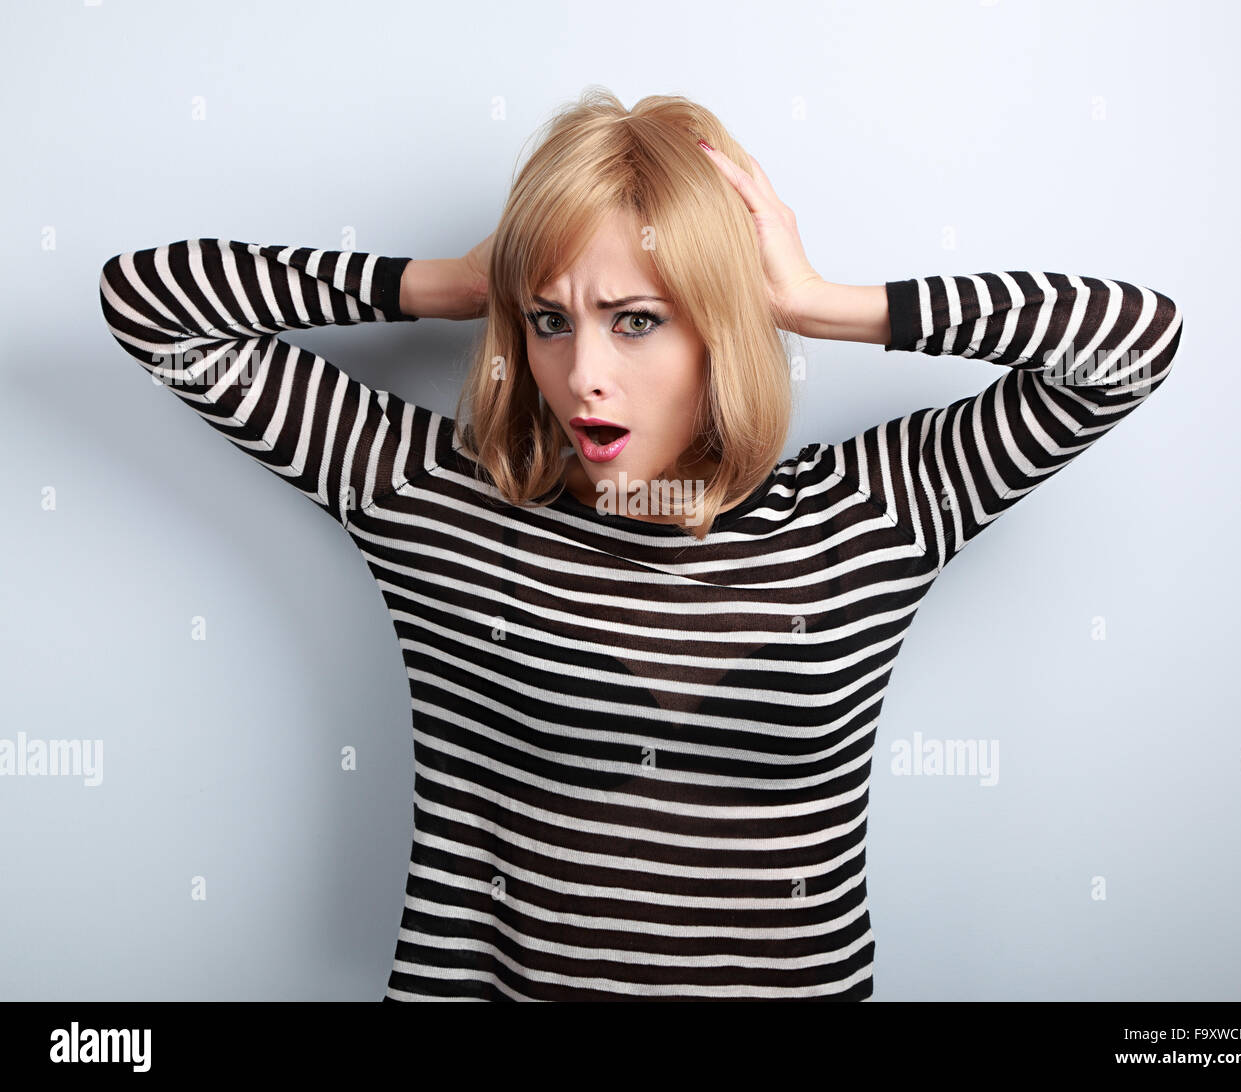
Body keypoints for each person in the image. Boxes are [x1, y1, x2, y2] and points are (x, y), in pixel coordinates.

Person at [97, 87, 1183, 1001]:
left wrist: (817, 301)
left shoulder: (871, 510)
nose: (582, 377)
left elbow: (1133, 345)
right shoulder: (438, 500)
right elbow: (148, 305)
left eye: (637, 318)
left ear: (721, 318)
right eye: (549, 320)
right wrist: (455, 284)